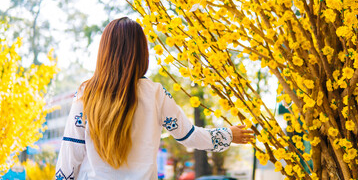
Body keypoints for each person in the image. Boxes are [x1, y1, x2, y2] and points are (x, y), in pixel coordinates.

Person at [55, 17, 254, 180]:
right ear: (142, 52)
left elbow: (69, 158)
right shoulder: (155, 94)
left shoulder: (86, 94)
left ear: (104, 52)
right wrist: (228, 135)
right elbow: (189, 136)